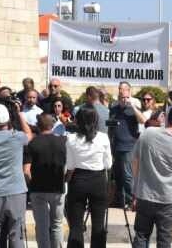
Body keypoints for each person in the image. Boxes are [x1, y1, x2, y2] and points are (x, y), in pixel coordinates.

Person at [130, 105, 172, 248]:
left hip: (145, 195)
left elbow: (135, 161)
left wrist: (135, 190)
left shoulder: (148, 133)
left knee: (141, 236)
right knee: (164, 240)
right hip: (169, 199)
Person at [0, 103, 34, 248]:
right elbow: (29, 134)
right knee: (15, 232)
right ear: (8, 120)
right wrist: (20, 115)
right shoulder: (16, 137)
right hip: (16, 190)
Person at [65, 106, 113, 248]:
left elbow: (70, 165)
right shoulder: (103, 138)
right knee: (98, 225)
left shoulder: (71, 139)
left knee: (76, 225)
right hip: (98, 180)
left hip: (78, 179)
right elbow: (108, 164)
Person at [24, 113, 67, 248]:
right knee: (57, 225)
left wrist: (31, 184)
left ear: (38, 126)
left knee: (42, 226)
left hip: (38, 188)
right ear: (53, 125)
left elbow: (26, 170)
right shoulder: (63, 141)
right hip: (57, 187)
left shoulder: (32, 143)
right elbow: (68, 165)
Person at [109, 81, 141, 209]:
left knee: (128, 175)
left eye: (125, 96)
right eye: (120, 94)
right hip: (116, 146)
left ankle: (130, 200)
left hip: (129, 146)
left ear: (129, 93)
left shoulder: (134, 107)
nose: (123, 98)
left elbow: (143, 120)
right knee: (118, 175)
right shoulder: (114, 108)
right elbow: (110, 126)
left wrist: (132, 107)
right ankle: (120, 200)